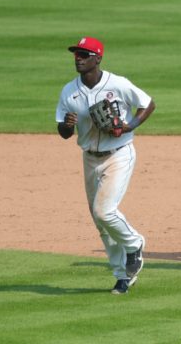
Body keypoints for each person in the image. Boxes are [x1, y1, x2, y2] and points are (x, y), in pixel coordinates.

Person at [56, 37, 155, 294]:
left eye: (84, 54)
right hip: (89, 157)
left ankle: (134, 244)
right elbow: (63, 132)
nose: (78, 58)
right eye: (76, 54)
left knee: (104, 211)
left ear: (97, 58)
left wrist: (128, 126)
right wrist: (67, 125)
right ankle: (122, 274)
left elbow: (148, 103)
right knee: (100, 222)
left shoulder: (118, 84)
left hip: (118, 154)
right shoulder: (69, 91)